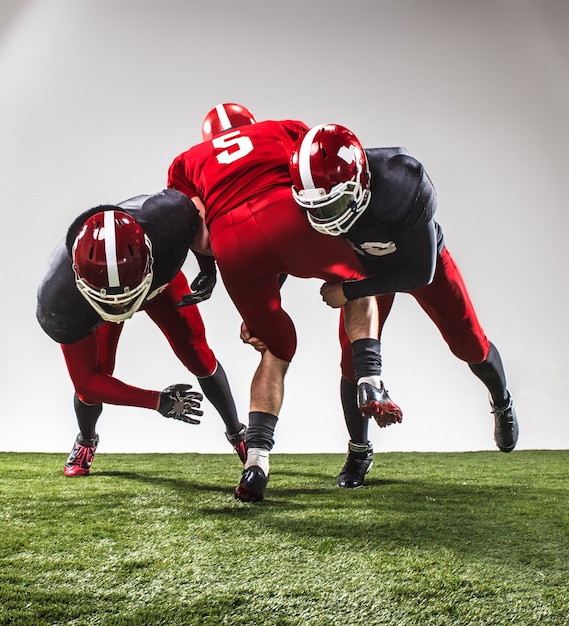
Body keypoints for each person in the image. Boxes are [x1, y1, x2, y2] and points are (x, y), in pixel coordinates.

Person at [168, 103, 401, 502]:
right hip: (289, 214)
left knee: (276, 351)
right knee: (357, 281)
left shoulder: (186, 161)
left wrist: (207, 269)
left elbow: (194, 226)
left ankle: (256, 459)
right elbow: (315, 167)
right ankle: (370, 379)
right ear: (253, 125)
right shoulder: (281, 128)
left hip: (231, 243)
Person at [289, 123, 519, 488]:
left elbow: (421, 272)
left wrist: (349, 292)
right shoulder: (310, 195)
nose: (328, 216)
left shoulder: (401, 180)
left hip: (418, 263)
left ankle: (501, 400)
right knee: (352, 362)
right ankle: (359, 448)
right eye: (319, 205)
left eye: (336, 202)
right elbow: (284, 247)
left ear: (362, 181)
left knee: (469, 344)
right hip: (363, 266)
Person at [36, 189, 246, 476]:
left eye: (126, 296)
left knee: (197, 354)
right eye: (113, 298)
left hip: (154, 288)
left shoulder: (168, 219)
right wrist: (158, 401)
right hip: (106, 300)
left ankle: (237, 433)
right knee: (99, 373)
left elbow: (198, 215)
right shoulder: (59, 298)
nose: (122, 305)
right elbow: (87, 383)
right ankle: (86, 439)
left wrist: (208, 266)